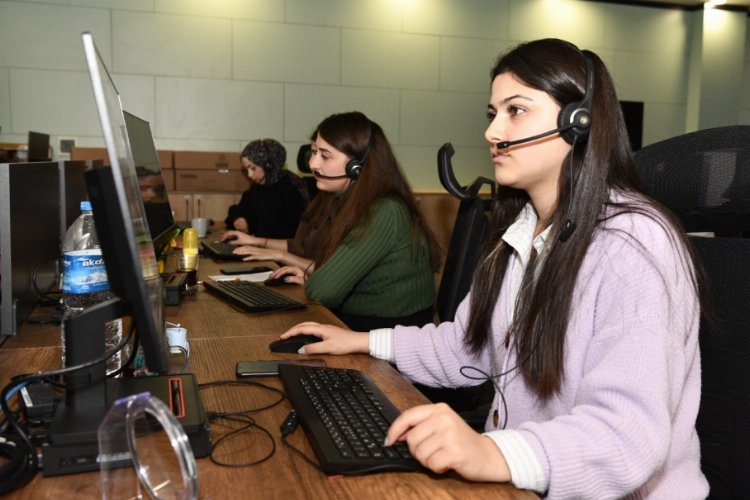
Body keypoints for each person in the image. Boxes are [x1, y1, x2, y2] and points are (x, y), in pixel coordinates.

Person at [279, 39, 709, 498]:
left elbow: (628, 435)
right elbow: (467, 348)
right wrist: (363, 341)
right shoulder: (522, 230)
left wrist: (493, 452)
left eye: (516, 111)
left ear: (578, 123)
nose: (492, 131)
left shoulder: (635, 243)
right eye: (492, 113)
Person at [245, 111, 440, 331]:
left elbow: (323, 290)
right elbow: (329, 276)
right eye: (314, 152)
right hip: (367, 322)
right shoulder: (349, 202)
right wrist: (313, 278)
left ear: (356, 167)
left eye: (325, 156)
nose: (312, 164)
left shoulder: (385, 211)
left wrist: (315, 280)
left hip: (388, 332)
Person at [224, 139, 308, 239]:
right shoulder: (258, 187)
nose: (249, 175)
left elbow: (283, 231)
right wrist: (238, 219)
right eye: (247, 169)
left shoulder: (290, 189)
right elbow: (238, 210)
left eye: (253, 168)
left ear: (269, 166)